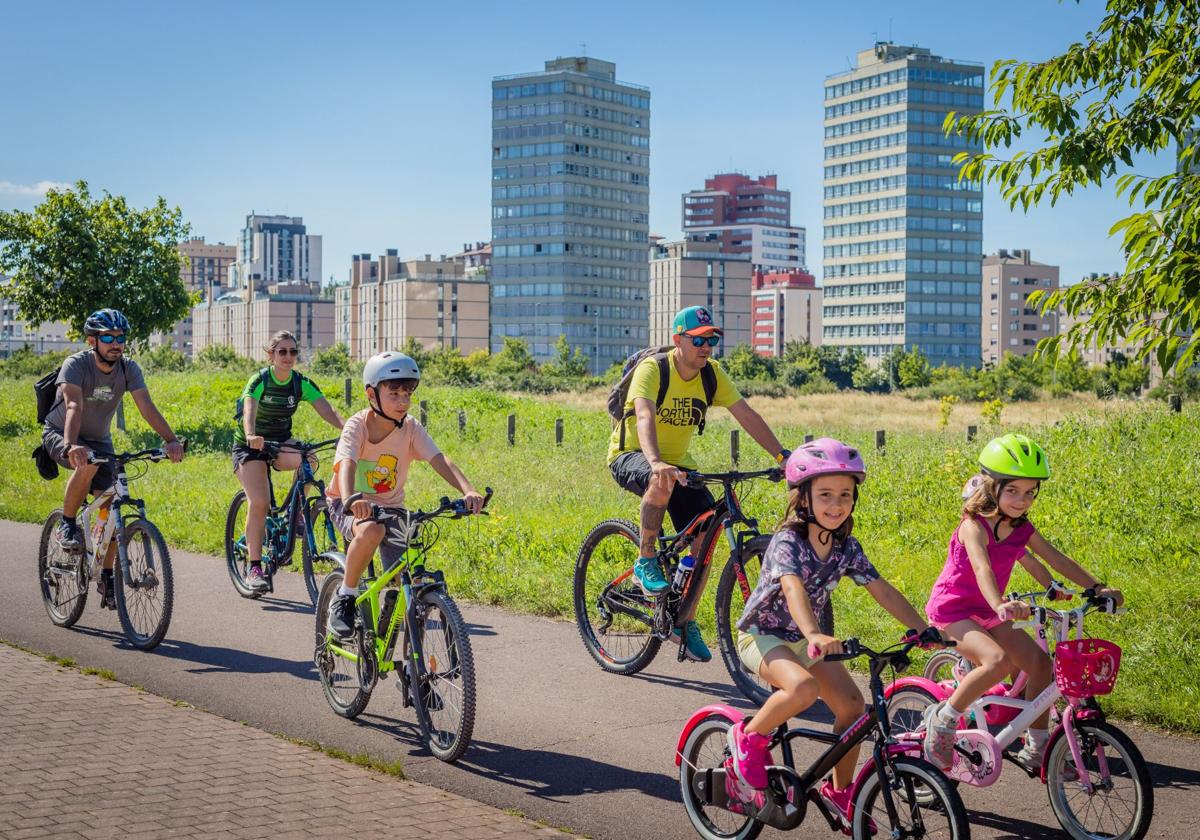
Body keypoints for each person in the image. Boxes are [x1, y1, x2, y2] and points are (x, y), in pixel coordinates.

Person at [725, 439, 943, 827]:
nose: (836, 504)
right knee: (803, 690)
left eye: (845, 494)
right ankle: (749, 738)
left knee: (853, 708)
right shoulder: (787, 542)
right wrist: (813, 633)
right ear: (804, 498)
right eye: (825, 494)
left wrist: (922, 628)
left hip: (806, 642)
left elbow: (882, 589)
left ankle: (840, 793)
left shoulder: (846, 547)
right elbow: (792, 588)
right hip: (763, 636)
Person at [921, 433, 1123, 772]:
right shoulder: (973, 526)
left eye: (1030, 492)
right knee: (997, 662)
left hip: (989, 610)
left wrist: (1096, 587)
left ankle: (1037, 747)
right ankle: (944, 719)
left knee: (1041, 664)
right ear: (991, 485)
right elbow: (983, 568)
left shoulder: (1021, 528)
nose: (1022, 500)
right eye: (1013, 490)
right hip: (953, 609)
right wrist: (1001, 602)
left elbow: (1055, 558)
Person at [608, 305, 788, 662]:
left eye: (712, 340)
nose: (707, 347)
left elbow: (746, 414)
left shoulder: (712, 375)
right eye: (699, 340)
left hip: (678, 465)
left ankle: (683, 618)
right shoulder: (654, 369)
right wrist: (657, 462)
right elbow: (643, 415)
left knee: (706, 533)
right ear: (678, 340)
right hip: (631, 454)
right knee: (661, 481)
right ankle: (646, 561)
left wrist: (782, 457)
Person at [324, 351, 484, 637]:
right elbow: (346, 464)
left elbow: (439, 459)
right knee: (371, 531)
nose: (403, 401)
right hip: (346, 504)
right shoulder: (357, 426)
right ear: (371, 394)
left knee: (411, 584)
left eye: (407, 394)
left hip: (391, 508)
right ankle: (346, 597)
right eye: (394, 393)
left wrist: (468, 489)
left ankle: (413, 671)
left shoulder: (410, 427)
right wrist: (351, 499)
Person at [42, 309, 184, 608]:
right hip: (61, 433)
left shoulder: (128, 369)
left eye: (120, 338)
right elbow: (73, 408)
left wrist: (170, 440)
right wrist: (70, 445)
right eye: (108, 337)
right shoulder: (76, 365)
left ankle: (107, 577)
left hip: (99, 440)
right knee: (88, 463)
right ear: (92, 340)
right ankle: (68, 523)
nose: (115, 343)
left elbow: (146, 406)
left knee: (111, 504)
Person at [233, 330, 344, 591]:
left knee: (310, 459)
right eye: (282, 352)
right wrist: (251, 434)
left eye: (293, 352)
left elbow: (328, 410)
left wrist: (348, 432)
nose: (288, 357)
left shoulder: (300, 383)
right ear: (270, 355)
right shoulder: (260, 379)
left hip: (280, 442)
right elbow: (249, 408)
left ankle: (295, 517)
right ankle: (254, 568)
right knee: (259, 502)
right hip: (250, 447)